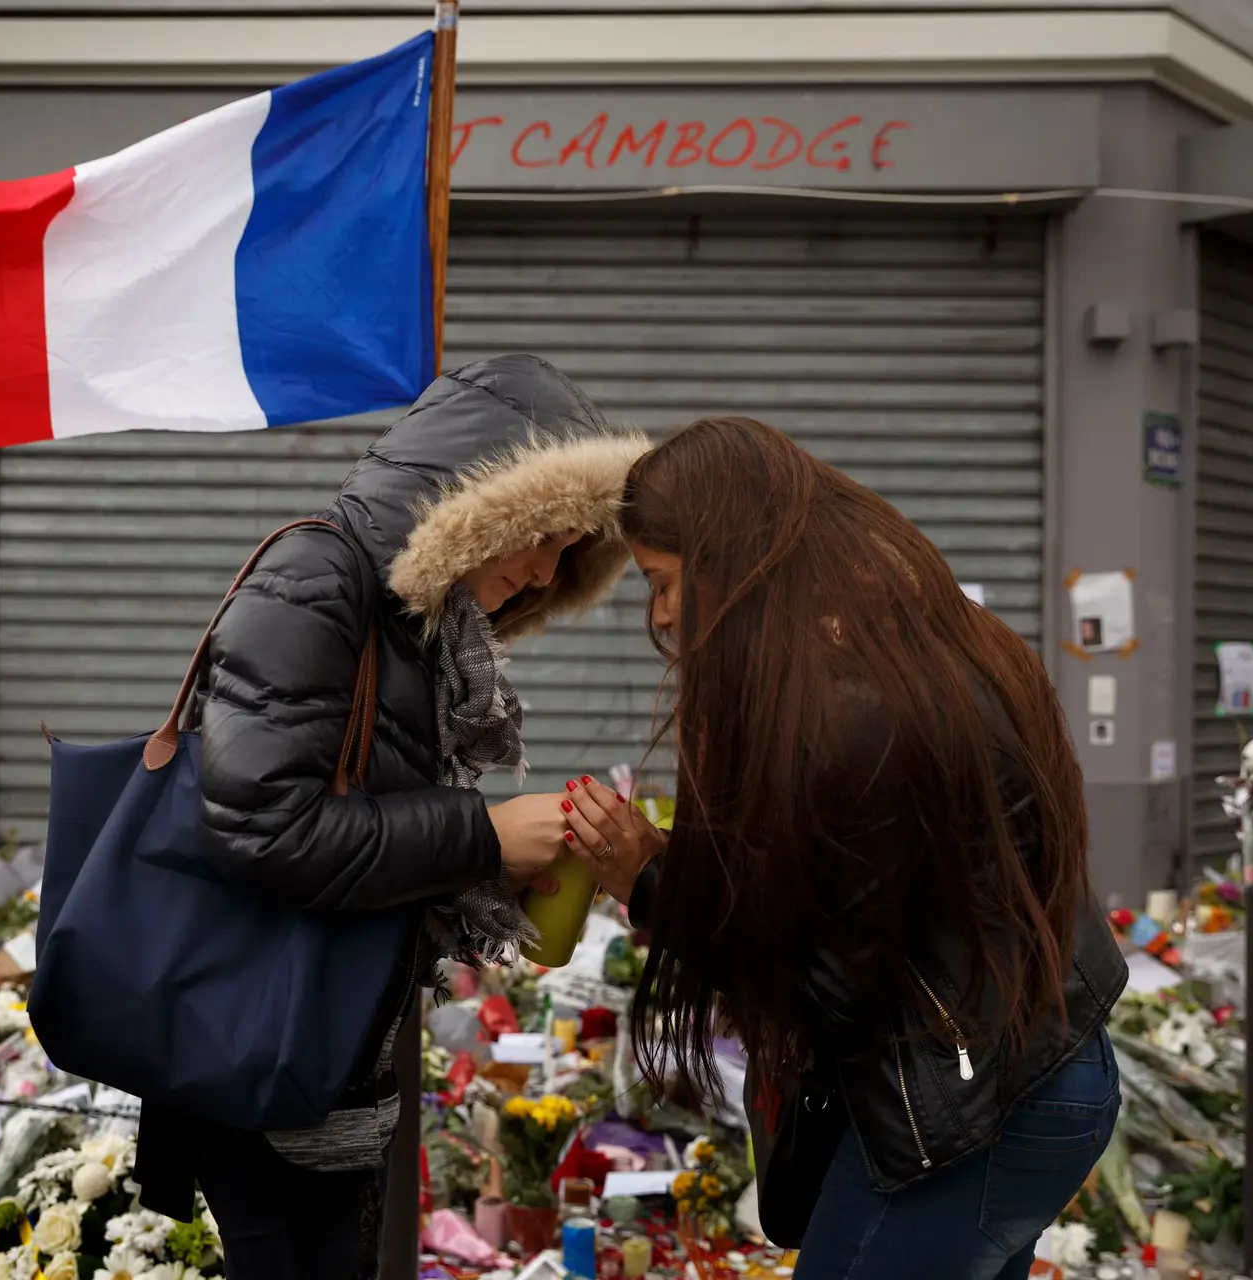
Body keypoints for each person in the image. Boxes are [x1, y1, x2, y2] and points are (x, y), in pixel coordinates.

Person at [558, 417, 1128, 1280]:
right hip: (1032, 1077)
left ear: (732, 560)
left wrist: (652, 883)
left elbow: (827, 986)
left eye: (665, 581)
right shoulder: (892, 641)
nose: (663, 615)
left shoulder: (855, 713)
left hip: (973, 1117)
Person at [190, 354, 647, 1278]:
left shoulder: (409, 623)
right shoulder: (321, 575)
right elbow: (261, 828)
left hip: (327, 1057)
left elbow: (357, 818)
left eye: (570, 551)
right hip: (273, 1063)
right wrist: (480, 834)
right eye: (540, 536)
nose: (544, 571)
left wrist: (499, 857)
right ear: (478, 501)